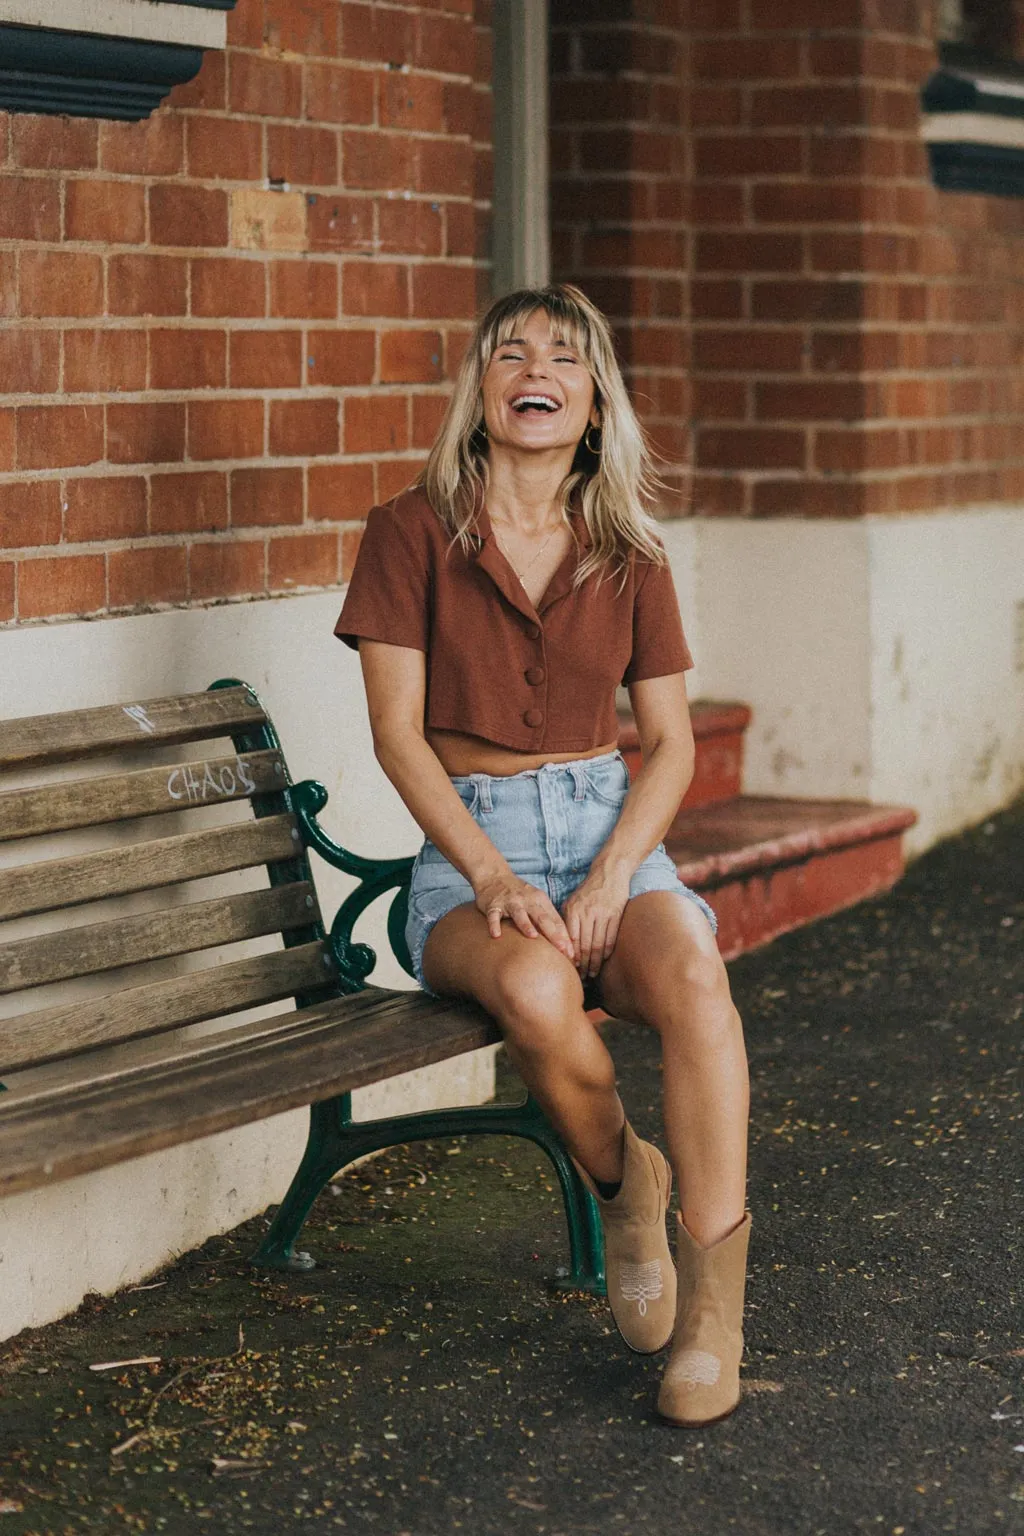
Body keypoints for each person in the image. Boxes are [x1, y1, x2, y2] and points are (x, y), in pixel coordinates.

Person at [335, 283, 751, 1427]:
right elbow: (395, 734)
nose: (537, 370)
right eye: (511, 352)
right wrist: (493, 875)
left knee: (697, 985)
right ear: (480, 389)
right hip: (472, 845)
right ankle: (626, 1181)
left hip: (608, 829)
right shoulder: (408, 530)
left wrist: (618, 870)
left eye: (565, 358)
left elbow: (667, 742)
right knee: (528, 984)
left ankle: (714, 1313)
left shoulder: (631, 547)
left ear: (592, 399)